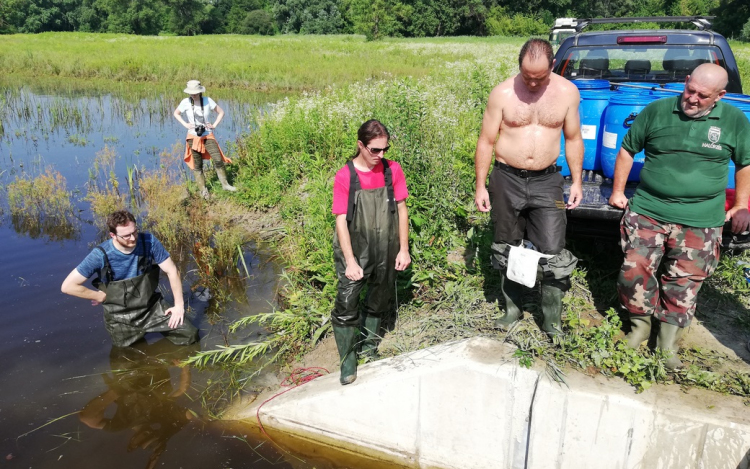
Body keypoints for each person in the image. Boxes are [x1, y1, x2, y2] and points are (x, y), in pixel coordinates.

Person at [609, 63, 750, 369]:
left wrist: (741, 204)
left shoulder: (735, 120)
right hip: (649, 208)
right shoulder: (657, 111)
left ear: (720, 96)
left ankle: (667, 343)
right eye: (690, 89)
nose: (693, 98)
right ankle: (639, 328)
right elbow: (627, 149)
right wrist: (618, 191)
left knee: (685, 281)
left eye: (703, 95)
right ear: (685, 82)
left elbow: (744, 164)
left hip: (701, 218)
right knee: (634, 270)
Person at [474, 38, 583, 337]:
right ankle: (512, 309)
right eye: (527, 76)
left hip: (549, 182)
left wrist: (576, 181)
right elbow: (486, 140)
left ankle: (551, 320)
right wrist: (480, 186)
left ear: (553, 67)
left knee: (554, 248)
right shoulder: (502, 93)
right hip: (505, 179)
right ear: (519, 67)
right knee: (507, 245)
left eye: (540, 77)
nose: (533, 84)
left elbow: (573, 139)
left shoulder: (567, 93)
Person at [331, 119, 411, 385]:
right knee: (346, 304)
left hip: (386, 248)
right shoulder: (346, 176)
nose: (381, 155)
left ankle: (369, 348)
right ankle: (347, 362)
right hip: (356, 250)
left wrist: (403, 249)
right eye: (375, 150)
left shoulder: (392, 170)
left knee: (379, 298)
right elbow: (341, 220)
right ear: (360, 146)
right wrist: (351, 261)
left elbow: (401, 210)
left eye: (385, 149)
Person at [61, 210, 199, 347]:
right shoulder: (100, 255)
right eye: (126, 236)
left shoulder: (149, 241)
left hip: (151, 306)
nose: (133, 238)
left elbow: (172, 271)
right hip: (119, 316)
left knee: (190, 334)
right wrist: (98, 296)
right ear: (113, 235)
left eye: (134, 232)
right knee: (129, 358)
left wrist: (179, 306)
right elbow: (68, 286)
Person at [173, 80, 235, 199]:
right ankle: (203, 191)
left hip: (207, 134)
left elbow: (221, 112)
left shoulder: (207, 101)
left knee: (217, 159)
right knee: (198, 165)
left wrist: (214, 124)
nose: (193, 94)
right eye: (191, 92)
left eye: (195, 92)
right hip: (193, 136)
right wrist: (185, 124)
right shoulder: (185, 102)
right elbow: (176, 113)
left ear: (200, 91)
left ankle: (225, 185)